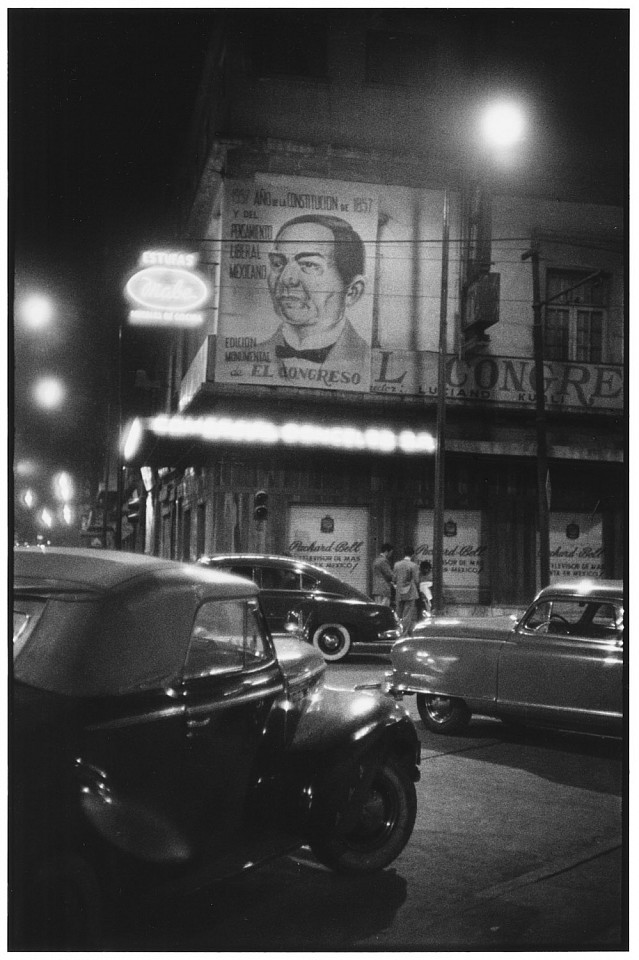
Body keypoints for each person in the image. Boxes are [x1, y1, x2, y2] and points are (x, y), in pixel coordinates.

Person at [257, 214, 369, 370]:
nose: (286, 279)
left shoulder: (369, 363)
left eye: (309, 264)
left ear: (352, 292)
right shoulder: (245, 359)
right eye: (278, 263)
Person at [392, 547, 420, 636]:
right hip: (410, 592)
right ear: (412, 555)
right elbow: (416, 580)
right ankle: (404, 633)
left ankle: (398, 632)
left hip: (399, 591)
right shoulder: (413, 565)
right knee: (407, 614)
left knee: (398, 613)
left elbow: (394, 578)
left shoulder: (397, 564)